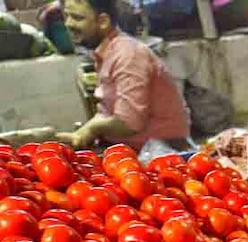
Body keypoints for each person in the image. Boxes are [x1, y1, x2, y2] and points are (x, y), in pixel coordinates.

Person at [58, 0, 191, 152]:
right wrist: (83, 131)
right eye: (67, 16)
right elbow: (107, 112)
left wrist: (93, 128)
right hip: (134, 150)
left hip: (161, 153)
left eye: (77, 18)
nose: (68, 24)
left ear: (103, 21)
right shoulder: (106, 54)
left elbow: (129, 122)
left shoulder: (128, 55)